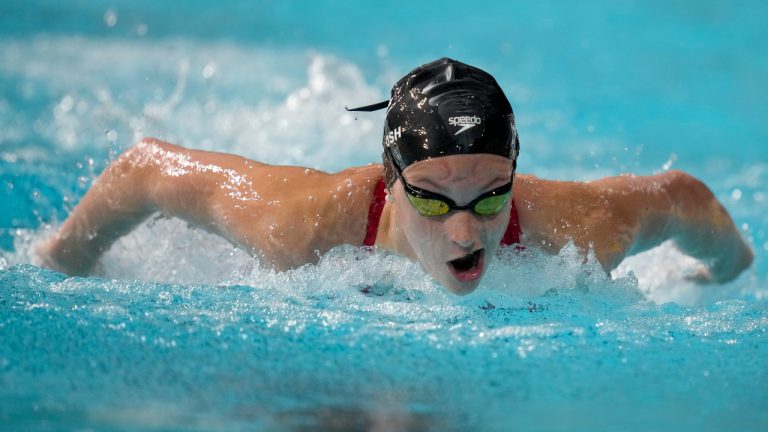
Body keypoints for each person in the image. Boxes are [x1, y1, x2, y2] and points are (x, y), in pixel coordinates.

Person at [38, 58, 753, 295]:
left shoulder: (575, 237)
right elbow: (142, 171)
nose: (469, 230)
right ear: (393, 181)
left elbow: (685, 201)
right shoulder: (307, 230)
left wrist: (718, 282)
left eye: (492, 195)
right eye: (435, 202)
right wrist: (57, 267)